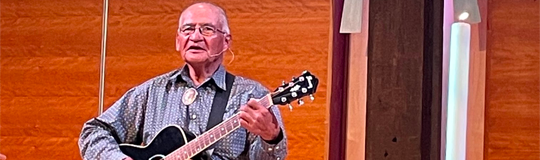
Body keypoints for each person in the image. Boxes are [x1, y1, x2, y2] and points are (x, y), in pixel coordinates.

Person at [78, 2, 287, 160]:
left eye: (207, 29)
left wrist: (271, 137)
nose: (195, 37)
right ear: (178, 41)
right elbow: (93, 132)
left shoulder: (252, 96)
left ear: (226, 41)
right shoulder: (154, 91)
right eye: (188, 29)